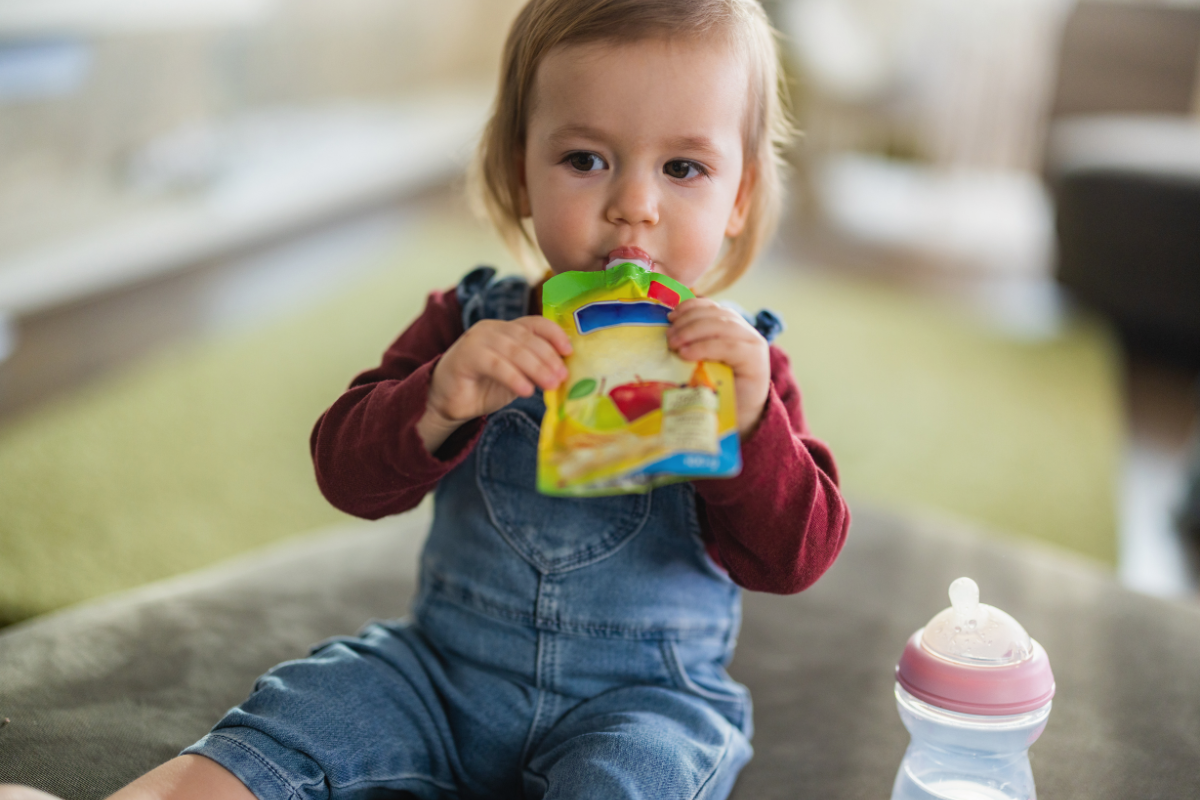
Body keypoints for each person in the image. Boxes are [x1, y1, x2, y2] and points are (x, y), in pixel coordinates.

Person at [0, 1, 849, 798]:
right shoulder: (467, 326)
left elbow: (794, 557)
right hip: (440, 674)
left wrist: (748, 426)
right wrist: (439, 400)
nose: (634, 205)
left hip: (644, 699)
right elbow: (344, 474)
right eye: (585, 159)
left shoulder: (741, 369)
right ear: (520, 171)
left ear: (737, 199)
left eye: (684, 167)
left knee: (640, 772)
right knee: (292, 717)